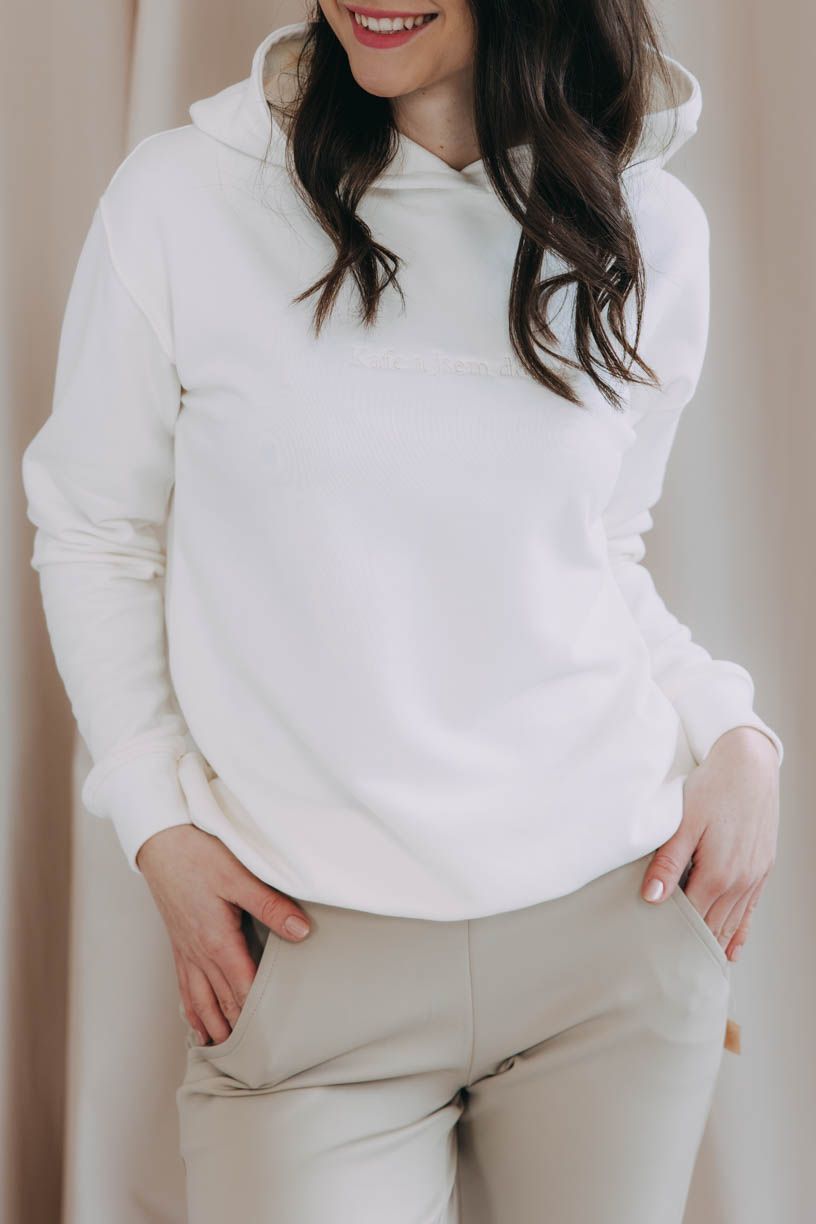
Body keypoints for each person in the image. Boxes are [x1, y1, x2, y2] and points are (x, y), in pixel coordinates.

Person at [22, 3, 783, 1221]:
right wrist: (156, 822)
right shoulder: (185, 200)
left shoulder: (648, 224)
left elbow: (597, 548)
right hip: (312, 961)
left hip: (610, 938)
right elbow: (95, 532)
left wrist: (733, 733)